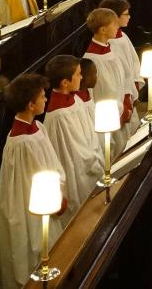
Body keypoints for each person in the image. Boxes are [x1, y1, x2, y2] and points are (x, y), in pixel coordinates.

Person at [0, 74, 67, 289]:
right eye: (42, 97)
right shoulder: (21, 143)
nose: (46, 99)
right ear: (30, 105)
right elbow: (30, 181)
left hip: (48, 193)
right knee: (35, 251)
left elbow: (51, 163)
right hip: (29, 205)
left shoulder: (38, 127)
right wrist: (55, 199)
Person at [43, 55, 103, 214]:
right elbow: (77, 154)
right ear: (65, 83)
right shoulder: (59, 115)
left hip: (91, 157)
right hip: (76, 172)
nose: (82, 77)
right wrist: (97, 161)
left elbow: (89, 132)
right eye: (78, 74)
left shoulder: (75, 99)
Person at [82, 8, 136, 158]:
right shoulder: (92, 60)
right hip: (110, 116)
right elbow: (103, 93)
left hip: (122, 106)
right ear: (103, 29)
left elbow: (124, 76)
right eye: (114, 24)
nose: (118, 26)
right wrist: (121, 110)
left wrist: (127, 98)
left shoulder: (110, 49)